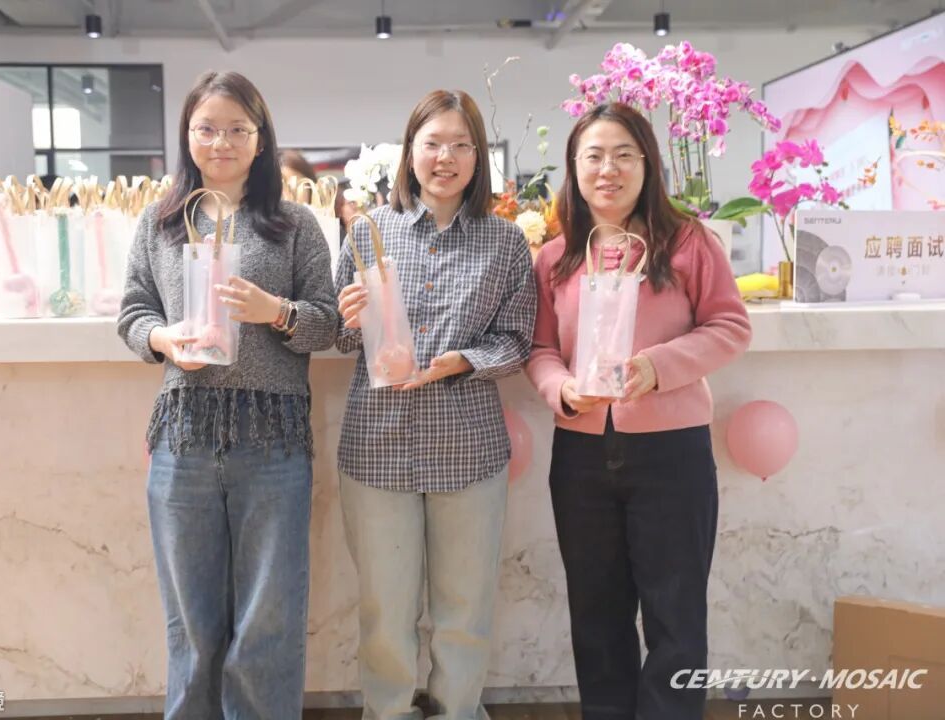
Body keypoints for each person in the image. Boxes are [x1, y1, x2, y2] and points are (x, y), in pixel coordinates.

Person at [117, 70, 338, 720]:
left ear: (260, 138)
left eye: (237, 129)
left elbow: (327, 323)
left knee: (269, 615)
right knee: (190, 618)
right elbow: (132, 312)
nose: (221, 142)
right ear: (187, 135)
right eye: (207, 128)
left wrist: (277, 312)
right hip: (183, 436)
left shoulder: (294, 224)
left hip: (273, 442)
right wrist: (163, 339)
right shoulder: (160, 222)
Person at [525, 102, 752, 720]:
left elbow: (730, 326)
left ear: (648, 164)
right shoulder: (556, 257)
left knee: (675, 617)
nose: (609, 169)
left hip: (670, 453)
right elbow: (540, 350)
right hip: (580, 455)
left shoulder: (688, 242)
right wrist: (560, 389)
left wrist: (658, 367)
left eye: (624, 155)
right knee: (596, 616)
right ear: (574, 168)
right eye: (594, 156)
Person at [335, 89, 537, 720]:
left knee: (464, 611)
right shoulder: (368, 231)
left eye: (460, 145)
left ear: (478, 157)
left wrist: (464, 361)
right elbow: (341, 337)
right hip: (377, 449)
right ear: (410, 152)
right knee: (385, 611)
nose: (445, 157)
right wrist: (347, 317)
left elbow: (517, 341)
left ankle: (457, 712)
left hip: (468, 451)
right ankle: (388, 712)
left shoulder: (506, 243)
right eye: (432, 143)